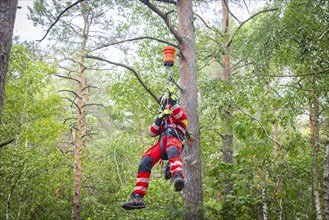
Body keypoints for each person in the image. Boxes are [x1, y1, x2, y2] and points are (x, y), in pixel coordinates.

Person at [122, 88, 188, 210]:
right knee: (145, 161)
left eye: (167, 103)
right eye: (165, 104)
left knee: (172, 149)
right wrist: (160, 117)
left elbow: (178, 113)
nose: (166, 106)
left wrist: (171, 100)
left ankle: (178, 176)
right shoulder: (164, 120)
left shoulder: (182, 114)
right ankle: (137, 196)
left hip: (174, 140)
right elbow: (152, 132)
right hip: (162, 144)